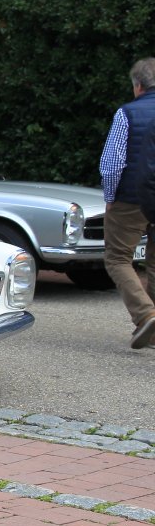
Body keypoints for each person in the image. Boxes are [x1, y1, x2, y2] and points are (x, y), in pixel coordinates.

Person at [99, 57, 155, 349]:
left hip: (132, 198)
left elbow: (112, 164)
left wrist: (110, 198)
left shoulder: (127, 113)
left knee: (118, 258)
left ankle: (146, 315)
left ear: (138, 86)